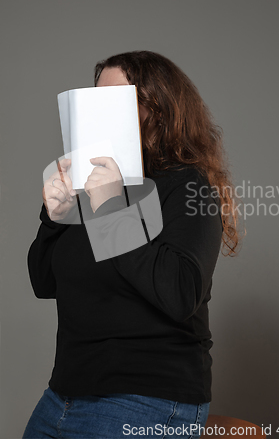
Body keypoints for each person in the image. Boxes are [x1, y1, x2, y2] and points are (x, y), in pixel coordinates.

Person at [23, 50, 241, 438]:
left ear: (158, 110)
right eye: (95, 98)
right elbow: (45, 283)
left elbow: (179, 292)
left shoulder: (188, 185)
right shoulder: (96, 183)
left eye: (116, 100)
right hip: (63, 396)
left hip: (146, 397)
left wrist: (110, 208)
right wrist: (54, 219)